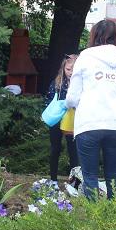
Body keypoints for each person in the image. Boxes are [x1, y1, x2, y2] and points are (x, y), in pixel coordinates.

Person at [65, 19, 116, 200]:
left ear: (94, 35)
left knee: (90, 176)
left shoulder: (85, 57)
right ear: (115, 37)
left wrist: (72, 104)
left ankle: (96, 221)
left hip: (90, 123)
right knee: (113, 175)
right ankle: (114, 218)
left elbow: (71, 98)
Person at [45, 54, 79, 183]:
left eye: (73, 69)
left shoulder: (81, 84)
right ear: (63, 68)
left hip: (73, 120)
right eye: (68, 69)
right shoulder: (57, 82)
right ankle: (53, 180)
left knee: (73, 150)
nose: (70, 72)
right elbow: (49, 100)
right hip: (57, 119)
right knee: (55, 149)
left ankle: (75, 182)